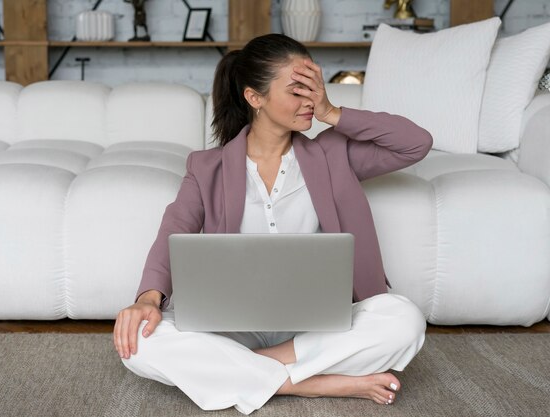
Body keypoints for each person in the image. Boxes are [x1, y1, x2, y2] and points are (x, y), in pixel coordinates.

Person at [113, 33, 433, 414]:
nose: (309, 101)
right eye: (297, 90)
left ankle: (255, 367)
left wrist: (332, 113)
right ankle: (308, 384)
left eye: (313, 88)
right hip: (233, 325)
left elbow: (415, 143)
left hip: (316, 326)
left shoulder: (333, 154)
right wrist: (147, 299)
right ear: (255, 97)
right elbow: (172, 231)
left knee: (404, 319)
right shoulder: (207, 167)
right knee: (139, 344)